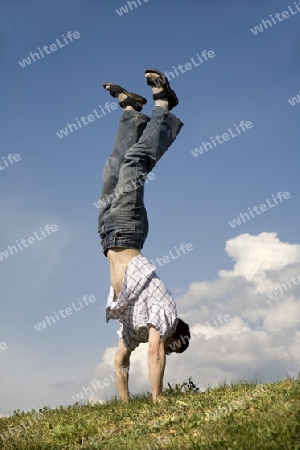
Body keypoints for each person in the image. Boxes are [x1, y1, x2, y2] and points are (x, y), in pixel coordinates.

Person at [97, 68, 191, 402]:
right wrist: (157, 396)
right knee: (136, 162)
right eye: (173, 347)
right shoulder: (164, 310)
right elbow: (155, 352)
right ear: (173, 335)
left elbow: (121, 359)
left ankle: (131, 112)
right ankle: (164, 106)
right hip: (127, 230)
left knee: (115, 166)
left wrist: (124, 404)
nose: (166, 348)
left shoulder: (135, 325)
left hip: (108, 235)